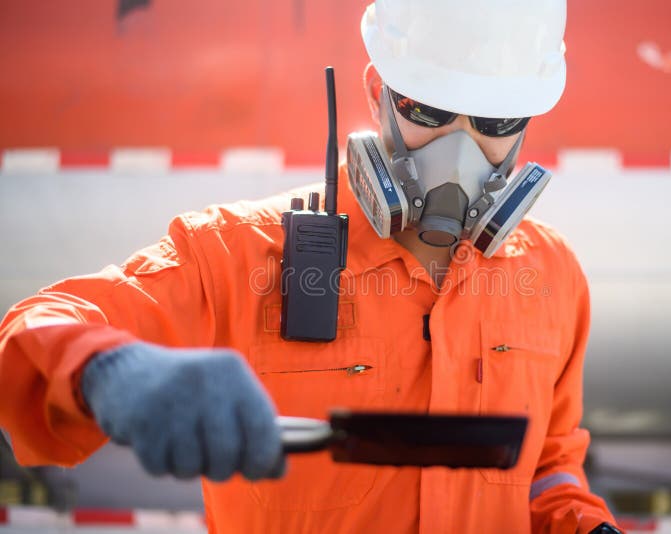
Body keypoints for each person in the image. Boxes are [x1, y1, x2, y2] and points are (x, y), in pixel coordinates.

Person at [0, 1, 622, 532]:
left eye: (495, 122)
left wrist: (584, 525)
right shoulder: (240, 255)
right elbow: (38, 324)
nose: (458, 150)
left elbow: (548, 469)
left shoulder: (551, 277)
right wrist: (110, 371)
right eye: (427, 111)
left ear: (525, 127)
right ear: (377, 94)